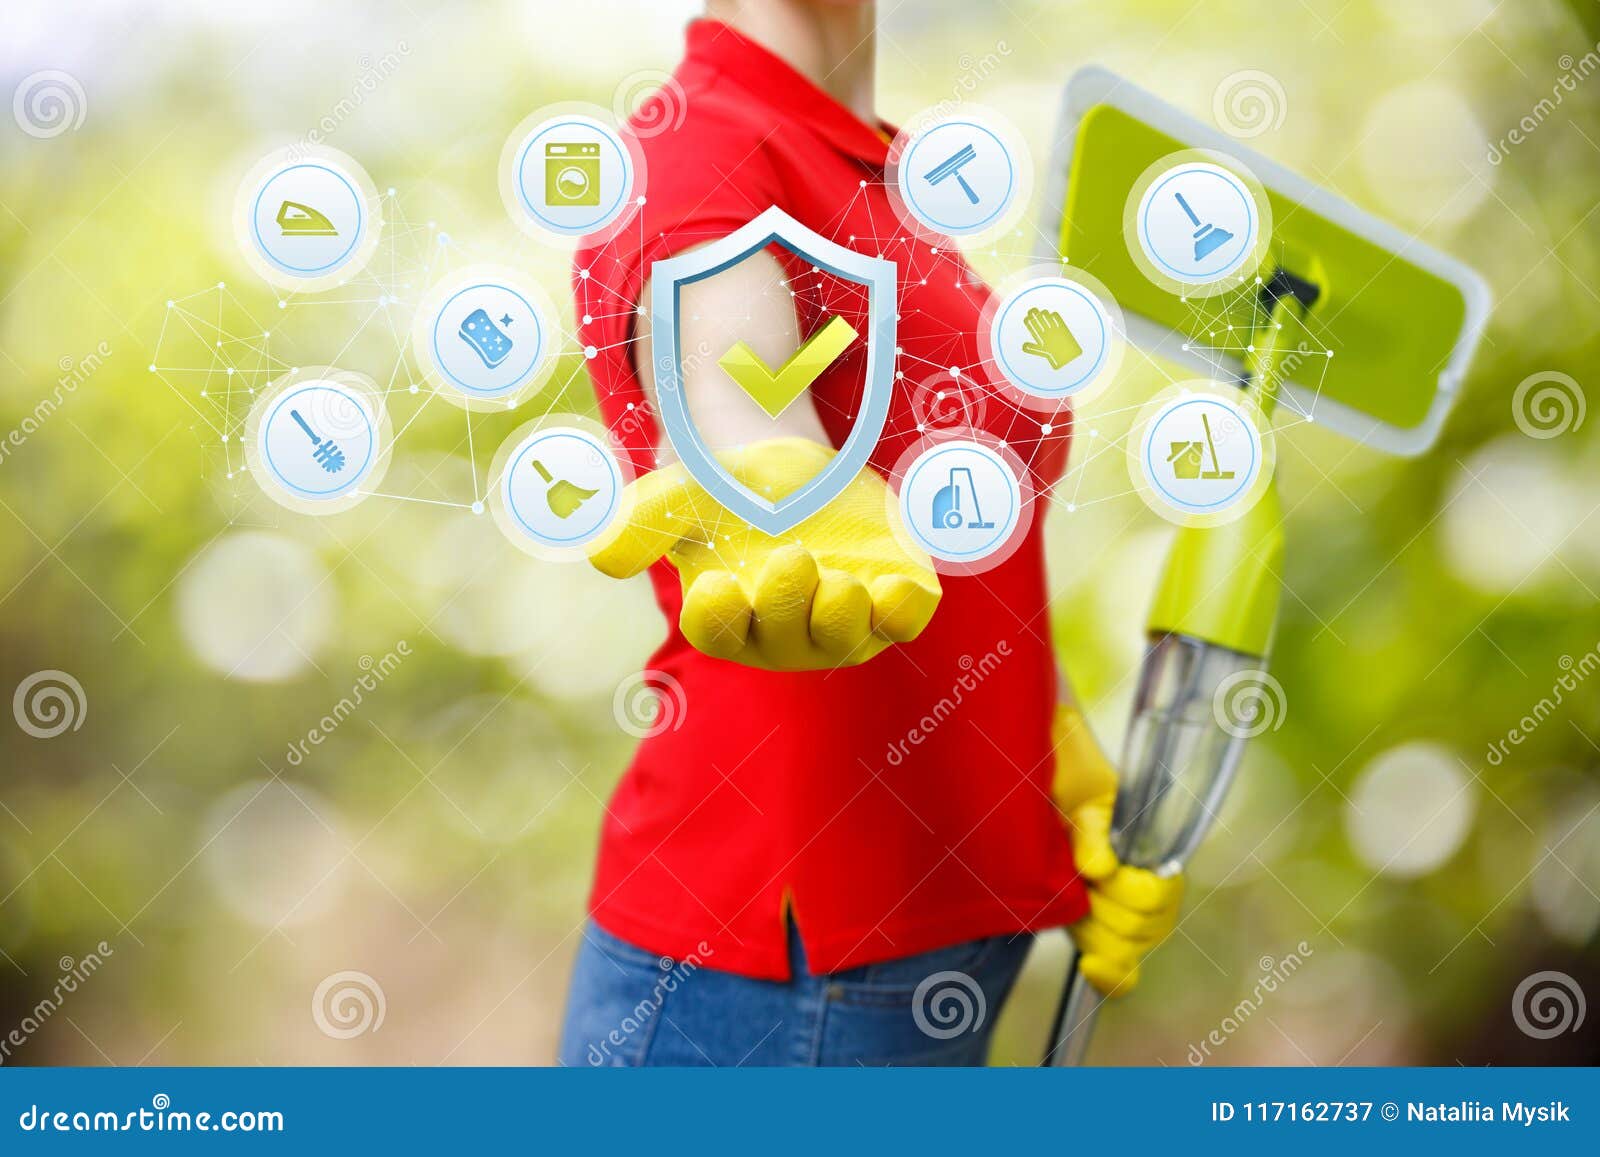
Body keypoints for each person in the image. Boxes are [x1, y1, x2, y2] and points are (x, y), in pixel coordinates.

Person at [560, 0, 1182, 1067]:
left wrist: (1049, 742)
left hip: (929, 934)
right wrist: (770, 479)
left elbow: (950, 537)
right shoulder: (701, 149)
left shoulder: (869, 167)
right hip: (778, 963)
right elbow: (738, 401)